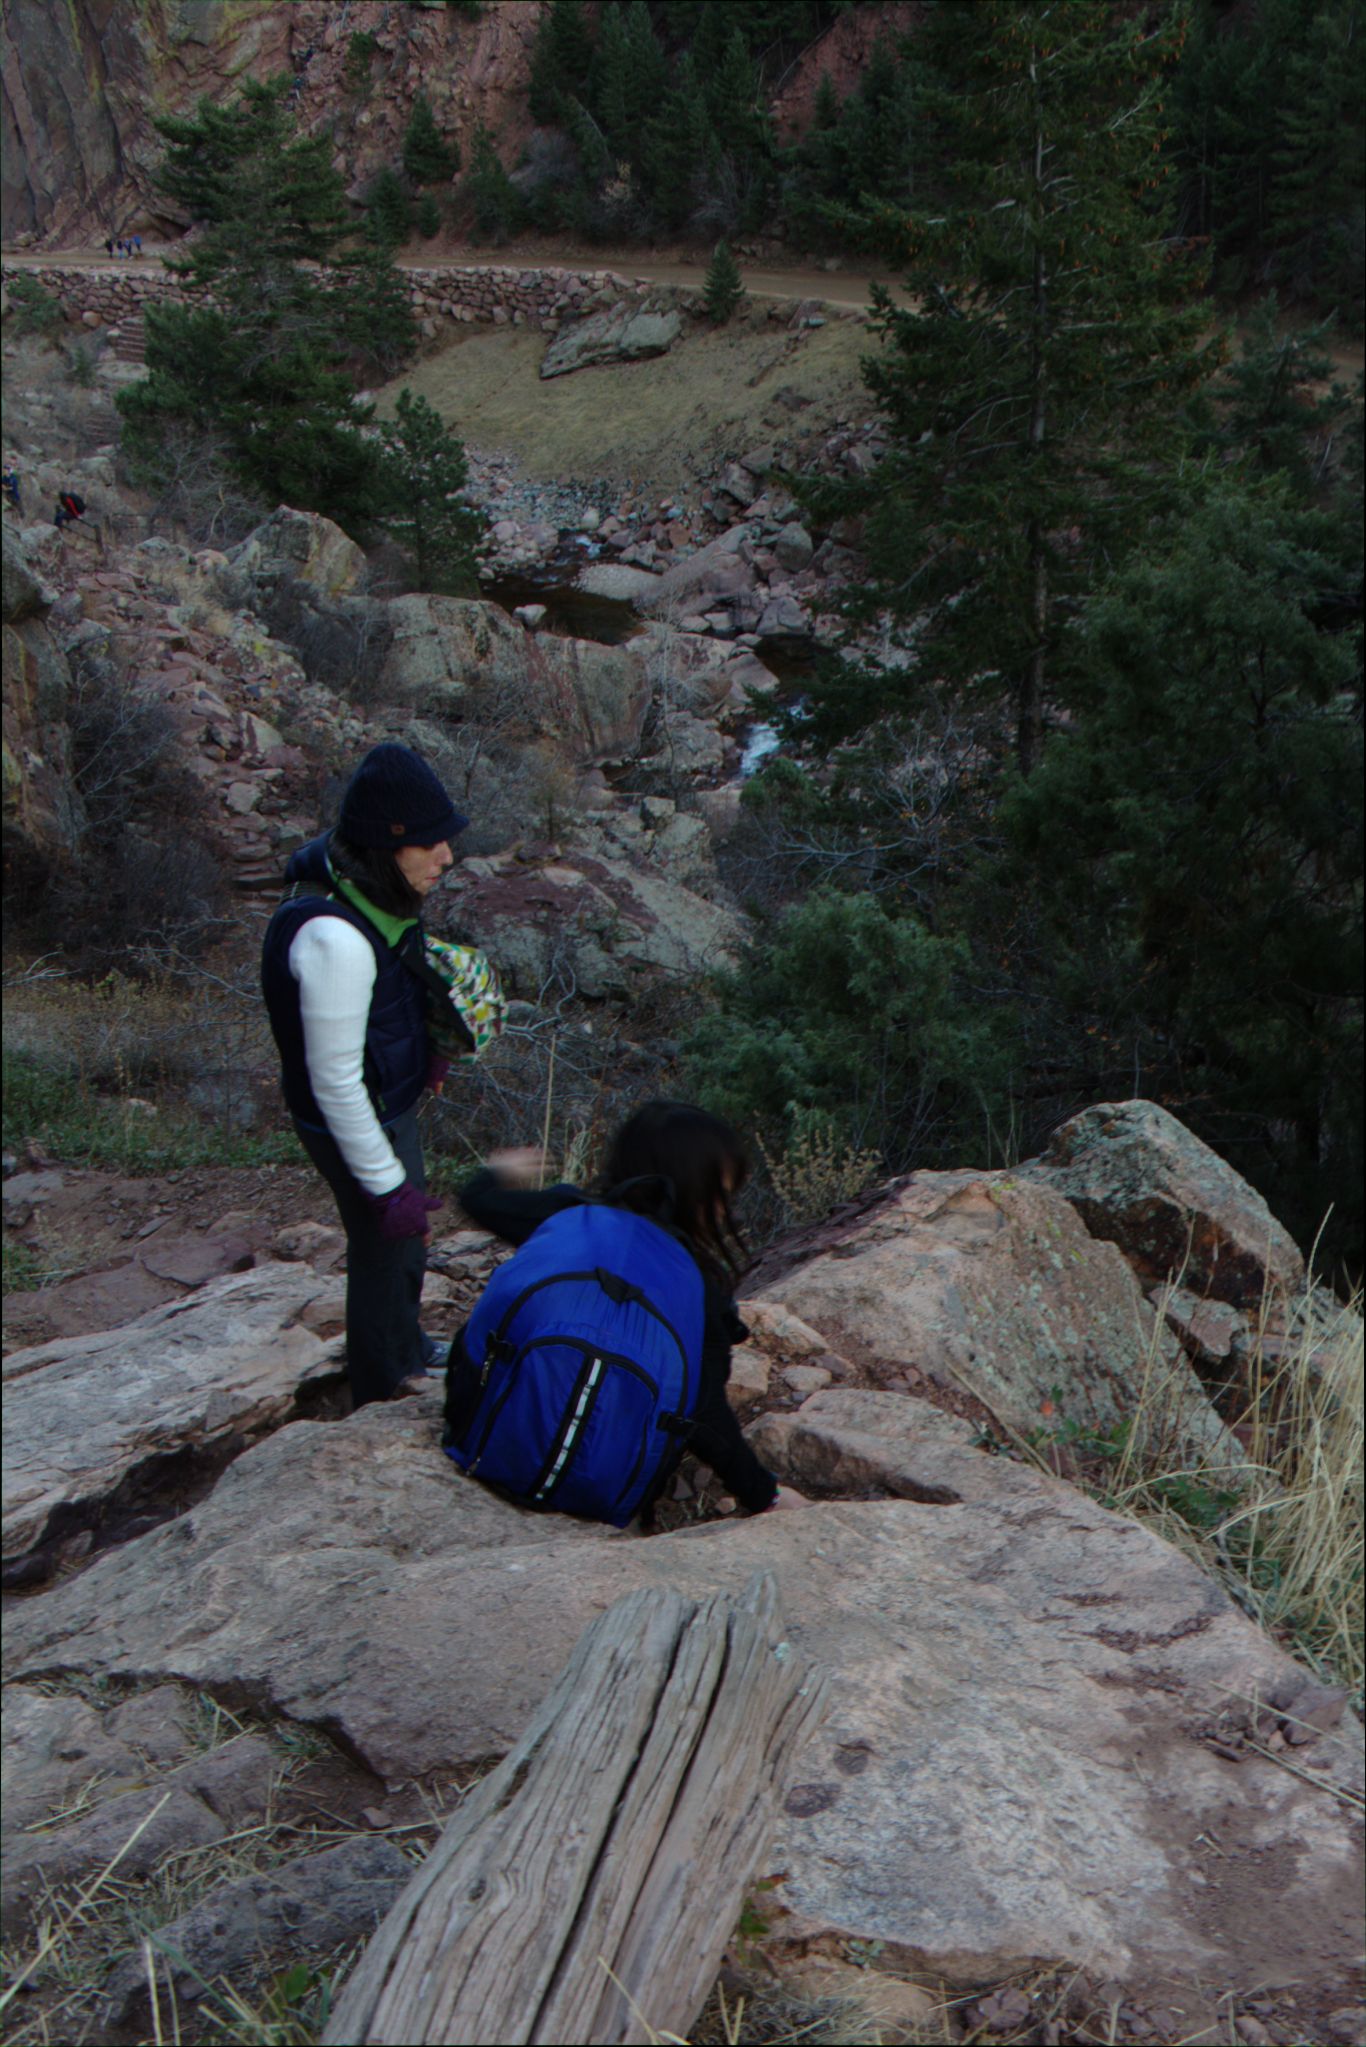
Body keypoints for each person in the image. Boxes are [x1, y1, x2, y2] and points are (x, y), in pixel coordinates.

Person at [448, 1101, 808, 1523]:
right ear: (696, 1190)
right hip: (603, 1490)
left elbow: (479, 1201)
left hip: (481, 1441)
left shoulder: (567, 1212)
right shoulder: (697, 1283)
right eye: (721, 1194)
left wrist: (500, 1170)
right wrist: (765, 1495)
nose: (726, 1210)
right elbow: (704, 1409)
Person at [260, 743, 467, 1409]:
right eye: (432, 842)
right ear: (390, 842)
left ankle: (403, 1344)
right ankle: (383, 1385)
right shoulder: (334, 940)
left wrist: (426, 1052)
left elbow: (395, 989)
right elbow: (335, 1083)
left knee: (404, 1241)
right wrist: (385, 1184)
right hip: (351, 1115)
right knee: (384, 1244)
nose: (448, 857)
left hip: (384, 1099)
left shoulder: (370, 885)